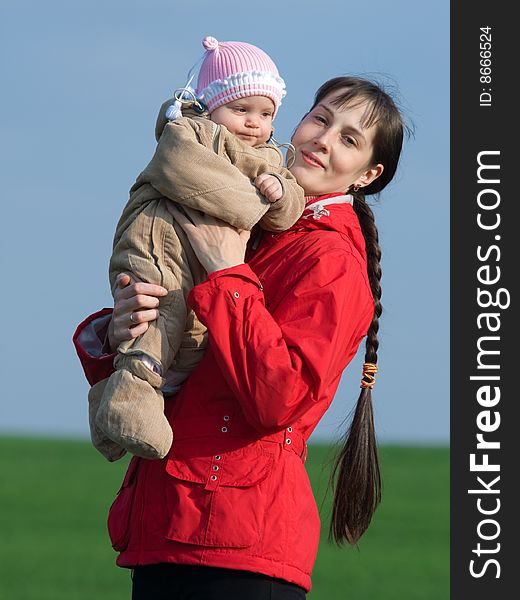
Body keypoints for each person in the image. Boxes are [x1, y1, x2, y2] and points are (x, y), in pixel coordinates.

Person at [73, 75, 406, 598]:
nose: (323, 139)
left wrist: (227, 271)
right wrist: (120, 330)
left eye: (349, 138)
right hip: (172, 526)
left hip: (233, 544)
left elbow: (280, 398)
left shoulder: (332, 260)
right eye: (320, 118)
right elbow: (191, 361)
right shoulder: (254, 223)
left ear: (368, 174)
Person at [90, 36, 305, 462]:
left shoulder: (271, 159)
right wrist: (255, 203)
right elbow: (186, 172)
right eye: (240, 109)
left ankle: (112, 414)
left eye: (265, 114)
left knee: (192, 339)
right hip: (158, 242)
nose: (252, 123)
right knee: (158, 315)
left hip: (199, 262)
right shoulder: (186, 131)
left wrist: (279, 191)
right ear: (211, 106)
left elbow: (288, 210)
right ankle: (129, 397)